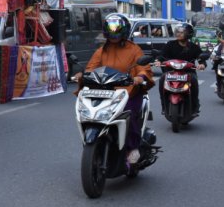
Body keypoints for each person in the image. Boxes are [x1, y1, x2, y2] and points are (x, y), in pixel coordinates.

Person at [75, 14, 153, 164]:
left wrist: (140, 77)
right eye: (111, 30)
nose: (114, 34)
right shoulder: (101, 50)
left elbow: (143, 68)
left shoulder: (134, 49)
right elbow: (91, 68)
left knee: (128, 113)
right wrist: (82, 75)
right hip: (105, 91)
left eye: (117, 30)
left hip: (128, 91)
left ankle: (132, 147)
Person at [154, 23, 206, 114]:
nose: (178, 34)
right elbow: (162, 55)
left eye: (182, 32)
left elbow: (201, 58)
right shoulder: (170, 44)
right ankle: (164, 105)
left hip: (188, 72)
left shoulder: (193, 47)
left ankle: (195, 106)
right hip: (171, 72)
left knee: (194, 81)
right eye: (177, 32)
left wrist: (202, 64)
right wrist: (158, 60)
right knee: (162, 79)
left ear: (188, 34)